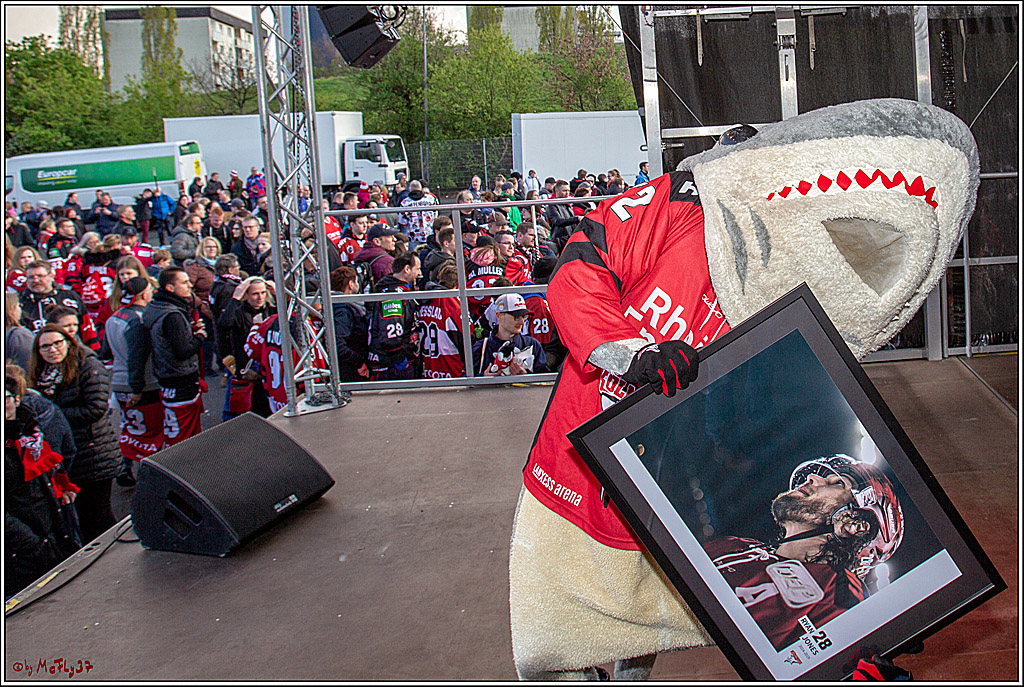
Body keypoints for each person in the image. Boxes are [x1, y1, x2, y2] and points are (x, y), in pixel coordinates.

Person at [510, 170, 727, 681]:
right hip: (581, 440)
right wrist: (631, 354)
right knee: (552, 624)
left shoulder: (786, 252)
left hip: (675, 462)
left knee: (645, 594)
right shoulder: (681, 198)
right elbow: (579, 268)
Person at [705, 454, 904, 651]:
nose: (812, 478)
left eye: (837, 483)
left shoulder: (841, 593)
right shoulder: (732, 545)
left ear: (855, 525)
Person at [28, 324, 119, 543]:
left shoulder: (87, 365)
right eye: (45, 346)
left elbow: (96, 408)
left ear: (69, 343)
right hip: (67, 455)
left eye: (57, 343)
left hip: (94, 452)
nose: (52, 350)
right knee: (82, 517)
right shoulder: (41, 374)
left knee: (98, 516)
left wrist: (53, 414)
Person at [5, 364, 81, 599]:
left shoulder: (32, 433)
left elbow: (55, 463)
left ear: (16, 400)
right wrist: (30, 543)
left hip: (52, 533)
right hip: (21, 549)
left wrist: (61, 490)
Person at [101, 276, 163, 487]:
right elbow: (137, 356)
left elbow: (106, 352)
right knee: (150, 432)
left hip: (119, 382)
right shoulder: (139, 320)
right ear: (144, 294)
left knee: (131, 428)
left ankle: (124, 467)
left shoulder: (114, 317)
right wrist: (137, 388)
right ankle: (150, 476)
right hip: (142, 384)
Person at [142, 267, 207, 446]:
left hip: (165, 375)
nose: (190, 285)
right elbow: (183, 350)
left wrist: (188, 332)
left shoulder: (155, 307)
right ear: (170, 288)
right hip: (181, 378)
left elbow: (165, 338)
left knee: (175, 427)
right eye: (184, 282)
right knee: (186, 431)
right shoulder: (173, 315)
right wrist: (200, 336)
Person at [216, 276, 274, 419]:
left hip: (268, 369)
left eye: (263, 293)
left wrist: (278, 293)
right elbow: (223, 324)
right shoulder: (239, 312)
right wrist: (235, 298)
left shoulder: (270, 309)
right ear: (246, 295)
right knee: (245, 412)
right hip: (247, 370)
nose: (260, 298)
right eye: (255, 294)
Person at [19, 260, 100, 349]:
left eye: (40, 276)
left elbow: (87, 328)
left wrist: (94, 351)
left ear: (51, 275)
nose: (36, 280)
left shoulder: (70, 296)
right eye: (31, 277)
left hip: (72, 350)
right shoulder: (20, 303)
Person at [366, 251, 420, 381]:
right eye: (417, 269)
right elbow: (390, 337)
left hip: (395, 363)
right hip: (390, 366)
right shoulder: (393, 295)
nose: (419, 273)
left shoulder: (400, 289)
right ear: (407, 269)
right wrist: (401, 361)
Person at [471, 293, 547, 376]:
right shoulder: (481, 347)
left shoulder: (532, 344)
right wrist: (483, 379)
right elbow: (465, 380)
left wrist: (526, 376)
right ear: (499, 316)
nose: (522, 322)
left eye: (524, 316)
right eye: (516, 317)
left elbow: (546, 380)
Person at [416, 263, 465, 379]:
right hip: (451, 368)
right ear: (458, 284)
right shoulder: (452, 303)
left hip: (429, 367)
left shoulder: (425, 300)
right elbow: (467, 336)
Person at [327, 266, 370, 382]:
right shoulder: (343, 310)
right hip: (350, 370)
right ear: (350, 284)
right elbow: (337, 343)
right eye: (356, 281)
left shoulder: (338, 306)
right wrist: (359, 362)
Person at [352, 223, 398, 289]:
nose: (395, 239)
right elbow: (391, 289)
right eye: (390, 236)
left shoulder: (358, 256)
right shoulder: (388, 262)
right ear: (377, 241)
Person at [397, 180, 438, 248]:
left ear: (410, 189)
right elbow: (436, 215)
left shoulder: (405, 203)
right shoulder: (431, 199)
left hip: (413, 237)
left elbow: (402, 222)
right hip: (429, 234)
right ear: (421, 188)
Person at [544, 180, 580, 252]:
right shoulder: (552, 205)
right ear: (557, 191)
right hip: (560, 241)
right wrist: (576, 219)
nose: (567, 193)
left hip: (570, 239)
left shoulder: (567, 206)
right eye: (564, 191)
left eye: (568, 191)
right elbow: (557, 221)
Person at [5, 292, 35, 371]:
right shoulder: (20, 335)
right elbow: (28, 366)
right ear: (11, 310)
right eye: (18, 305)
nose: (20, 309)